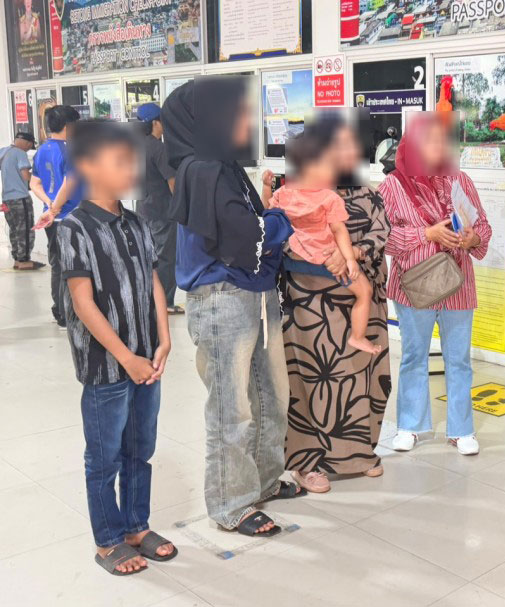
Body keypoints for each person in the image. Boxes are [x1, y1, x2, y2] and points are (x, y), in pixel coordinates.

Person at [163, 77, 304, 537]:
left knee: (271, 395)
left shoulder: (223, 166)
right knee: (232, 408)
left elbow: (254, 227)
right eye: (238, 113)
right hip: (222, 300)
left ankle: (263, 481)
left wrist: (270, 221)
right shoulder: (202, 170)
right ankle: (230, 503)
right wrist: (279, 219)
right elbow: (248, 235)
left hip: (253, 294)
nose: (248, 121)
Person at [55, 119, 176, 575]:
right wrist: (126, 356)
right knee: (104, 458)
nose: (132, 170)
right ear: (88, 165)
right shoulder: (74, 229)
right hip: (107, 366)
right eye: (121, 161)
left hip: (147, 359)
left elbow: (154, 281)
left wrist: (164, 338)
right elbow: (83, 303)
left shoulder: (138, 223)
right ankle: (108, 540)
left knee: (139, 449)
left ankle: (136, 527)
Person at [280, 112, 392, 493]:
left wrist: (352, 254)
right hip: (312, 306)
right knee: (314, 381)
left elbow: (381, 234)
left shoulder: (367, 193)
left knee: (364, 379)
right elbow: (277, 234)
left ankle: (359, 454)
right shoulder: (296, 191)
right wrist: (321, 256)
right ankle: (306, 462)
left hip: (362, 302)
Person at [380, 113, 492, 456]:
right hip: (414, 287)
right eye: (431, 141)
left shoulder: (460, 180)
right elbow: (384, 237)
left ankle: (461, 430)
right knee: (414, 356)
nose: (439, 147)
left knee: (459, 360)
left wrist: (472, 239)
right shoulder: (393, 185)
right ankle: (410, 426)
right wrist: (427, 234)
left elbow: (483, 227)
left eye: (443, 141)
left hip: (458, 286)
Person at [270, 130, 381, 355]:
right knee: (364, 291)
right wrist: (349, 259)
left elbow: (269, 216)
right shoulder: (329, 197)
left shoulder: (283, 192)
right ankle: (358, 337)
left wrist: (265, 188)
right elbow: (339, 230)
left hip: (294, 261)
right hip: (324, 263)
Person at [30, 104, 84, 328]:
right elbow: (70, 183)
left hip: (52, 219)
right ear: (68, 125)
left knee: (57, 265)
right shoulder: (71, 150)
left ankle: (59, 311)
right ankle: (70, 313)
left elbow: (34, 183)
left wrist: (49, 204)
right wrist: (55, 208)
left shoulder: (42, 150)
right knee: (73, 268)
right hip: (70, 216)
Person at [133, 102, 182, 314]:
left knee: (148, 259)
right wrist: (183, 208)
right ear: (155, 123)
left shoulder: (135, 147)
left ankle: (149, 300)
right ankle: (165, 302)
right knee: (166, 258)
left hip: (142, 211)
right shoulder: (158, 148)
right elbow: (173, 183)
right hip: (163, 213)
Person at [1, 131, 39, 270]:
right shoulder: (20, 153)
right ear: (27, 143)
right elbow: (25, 176)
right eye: (30, 146)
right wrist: (39, 180)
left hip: (6, 199)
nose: (29, 149)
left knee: (14, 229)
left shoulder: (3, 151)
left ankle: (17, 259)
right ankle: (24, 260)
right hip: (20, 198)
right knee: (25, 229)